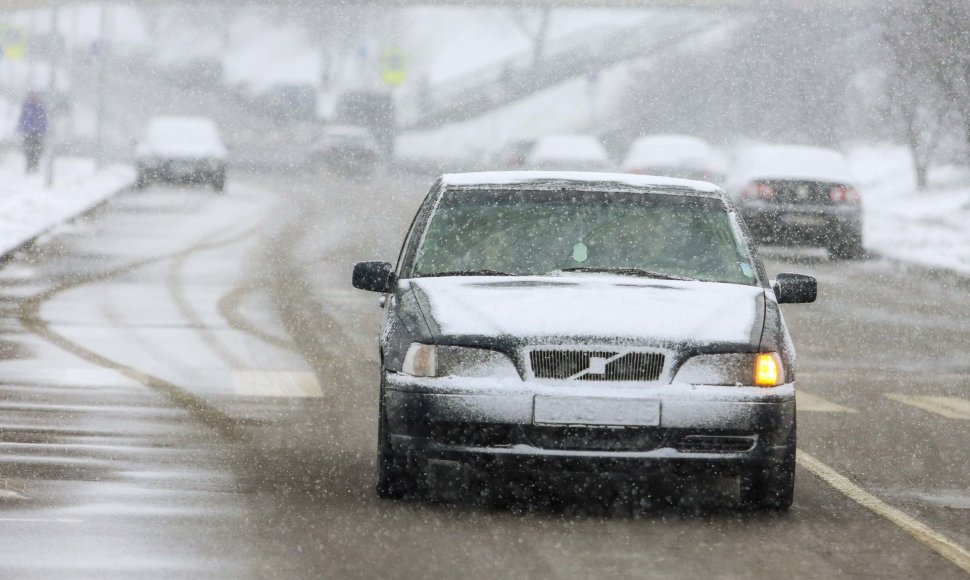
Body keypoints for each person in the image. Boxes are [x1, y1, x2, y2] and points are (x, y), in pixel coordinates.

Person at [18, 92, 48, 174]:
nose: (34, 97)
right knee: (28, 150)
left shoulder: (40, 106)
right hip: (28, 133)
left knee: (37, 150)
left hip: (38, 133)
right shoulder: (26, 106)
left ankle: (35, 166)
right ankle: (29, 165)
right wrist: (22, 129)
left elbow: (44, 120)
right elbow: (22, 118)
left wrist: (43, 130)